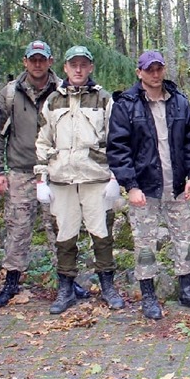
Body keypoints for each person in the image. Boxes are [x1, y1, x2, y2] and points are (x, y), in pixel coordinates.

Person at [0, 41, 92, 307]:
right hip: (21, 172)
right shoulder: (10, 93)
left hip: (56, 172)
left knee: (60, 228)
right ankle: (11, 281)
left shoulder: (63, 91)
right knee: (17, 228)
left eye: (41, 59)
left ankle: (66, 281)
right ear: (25, 61)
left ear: (50, 61)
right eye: (32, 59)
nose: (37, 64)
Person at [107, 50, 190, 320]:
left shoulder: (180, 102)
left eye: (158, 68)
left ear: (164, 70)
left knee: (187, 240)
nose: (154, 73)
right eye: (149, 69)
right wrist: (131, 186)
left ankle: (186, 290)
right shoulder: (126, 105)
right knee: (145, 245)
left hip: (176, 186)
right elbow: (118, 149)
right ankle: (148, 297)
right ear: (139, 72)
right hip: (145, 188)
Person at [34, 46, 124, 314]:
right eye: (73, 65)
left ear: (90, 67)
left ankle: (108, 286)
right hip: (62, 179)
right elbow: (42, 140)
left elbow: (117, 139)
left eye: (83, 65)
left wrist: (115, 176)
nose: (78, 70)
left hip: (96, 178)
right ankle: (66, 289)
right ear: (65, 68)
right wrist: (41, 178)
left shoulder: (104, 99)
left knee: (102, 234)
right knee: (65, 236)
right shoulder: (52, 101)